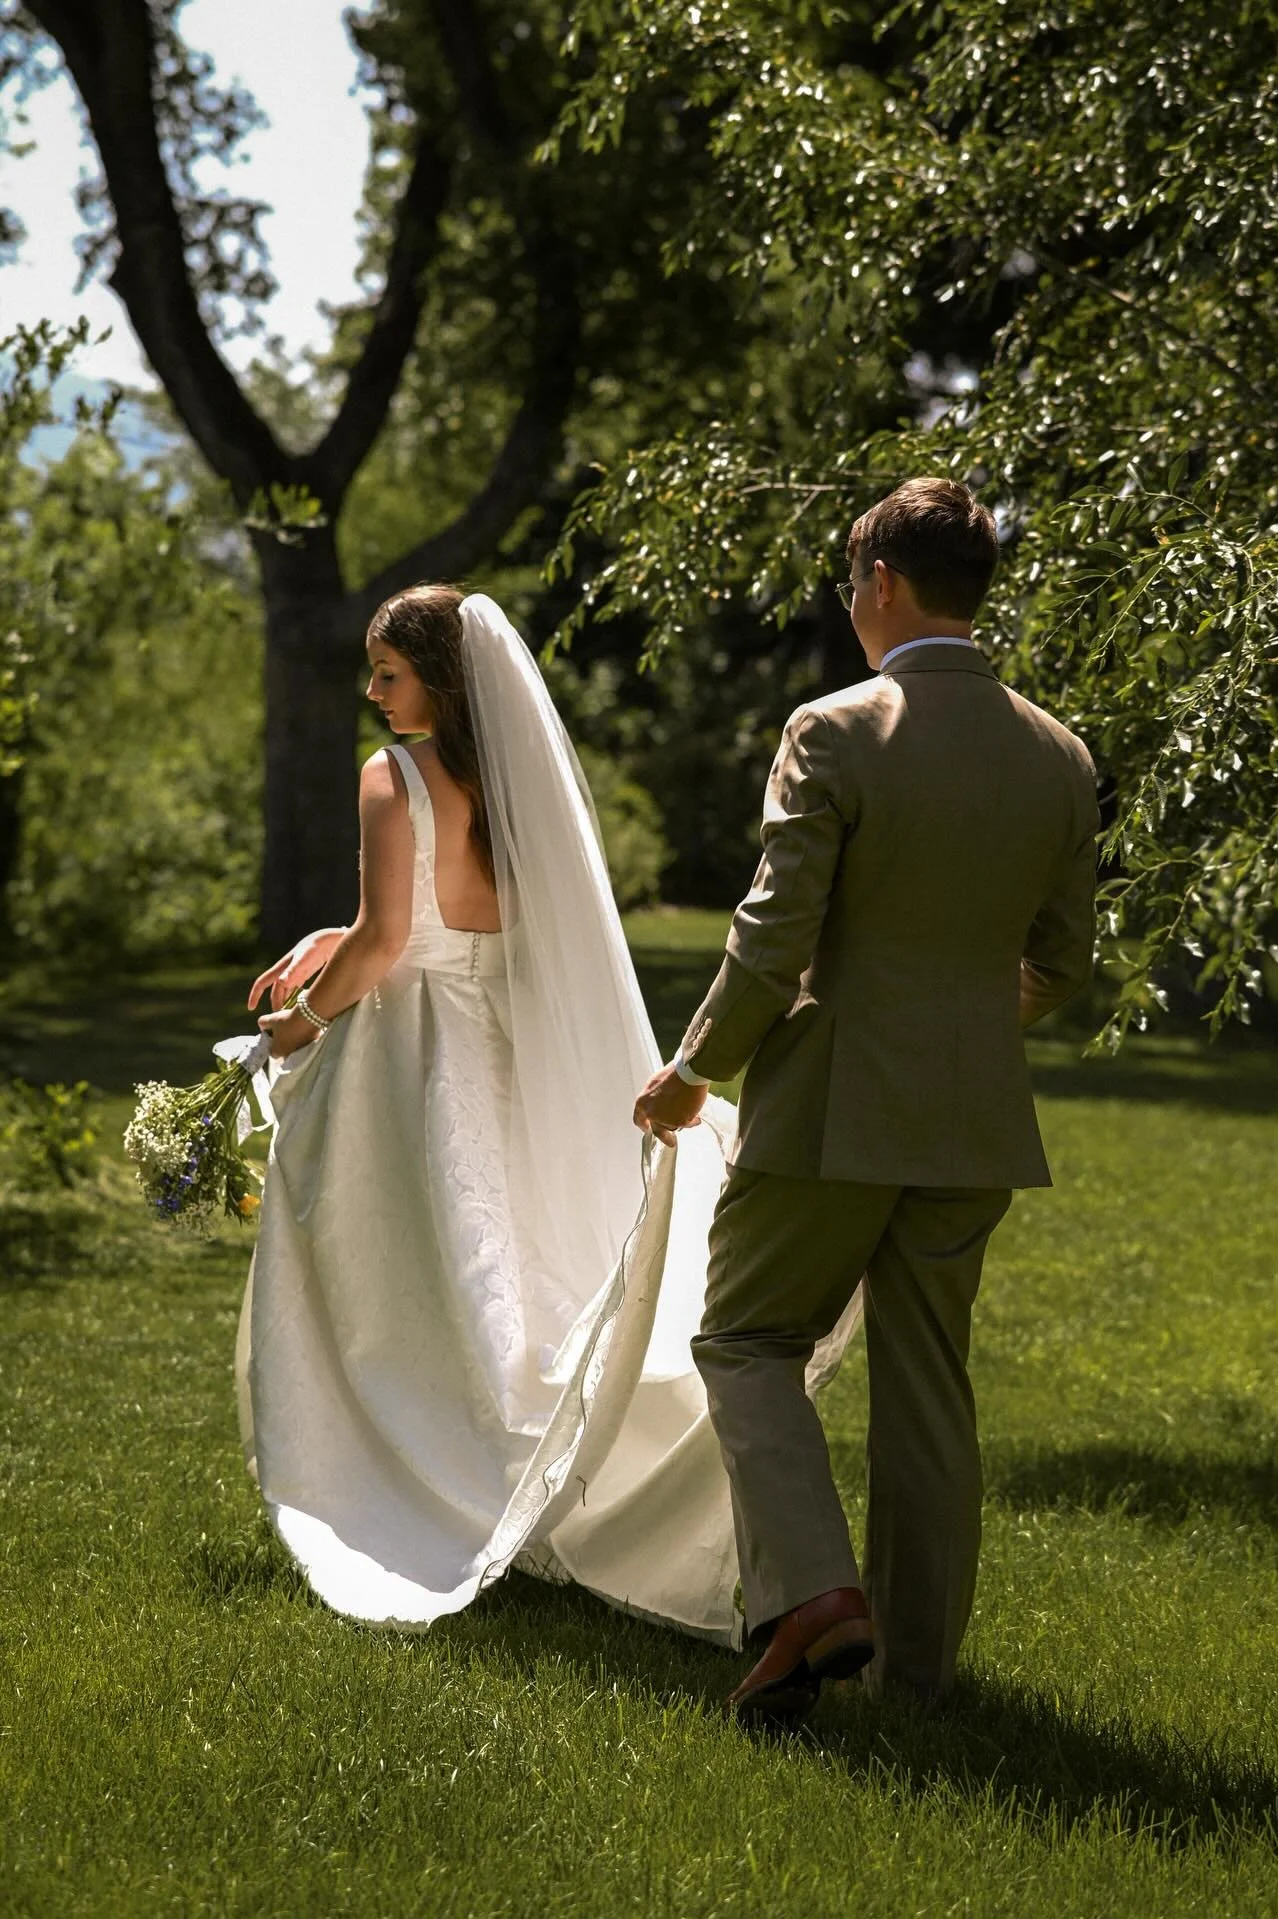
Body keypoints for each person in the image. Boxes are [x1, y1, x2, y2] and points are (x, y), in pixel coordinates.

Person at [237, 587, 853, 1641]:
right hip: (499, 1038)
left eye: (389, 672)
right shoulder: (513, 783)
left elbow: (391, 943)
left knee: (404, 1267)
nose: (374, 692)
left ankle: (444, 1468)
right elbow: (423, 920)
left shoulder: (396, 774)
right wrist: (329, 937)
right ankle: (541, 1465)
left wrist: (299, 1021)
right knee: (506, 1256)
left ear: (439, 675)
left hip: (411, 1046)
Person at [635, 477, 1100, 1720]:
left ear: (882, 584)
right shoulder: (1060, 751)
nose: (850, 606)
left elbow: (772, 936)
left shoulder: (833, 728)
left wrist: (692, 1072)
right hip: (974, 1115)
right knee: (930, 1387)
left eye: (850, 585)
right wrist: (953, 1024)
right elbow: (1063, 962)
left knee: (744, 1340)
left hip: (833, 1104)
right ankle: (920, 1682)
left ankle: (817, 1594)